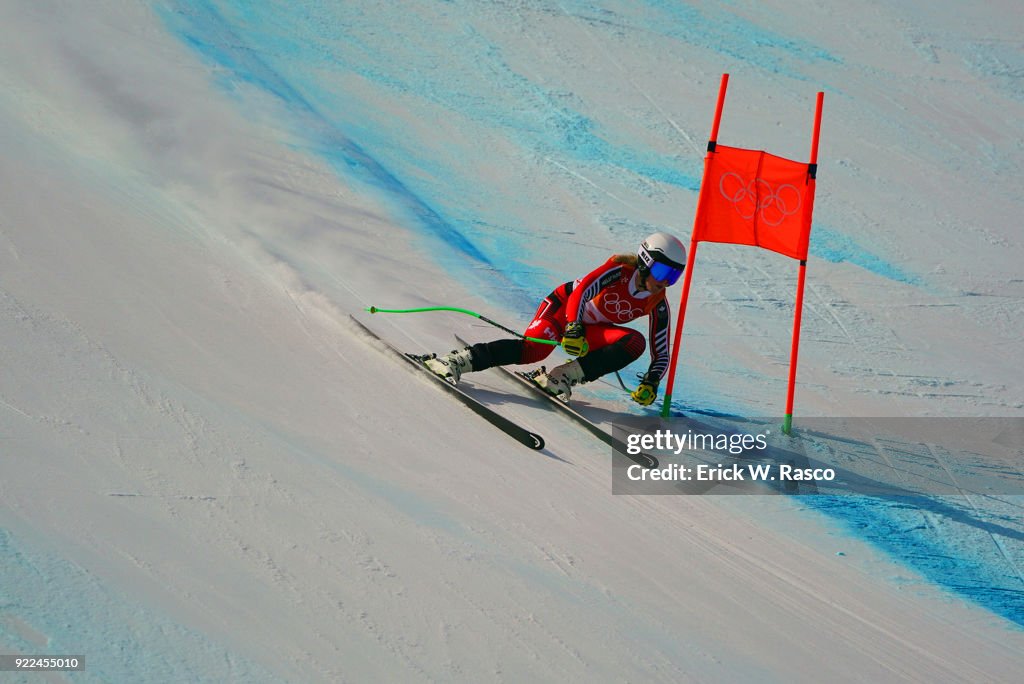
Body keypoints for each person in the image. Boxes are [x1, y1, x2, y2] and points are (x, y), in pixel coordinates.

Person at [425, 232, 686, 406]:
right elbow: (582, 292)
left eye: (673, 277)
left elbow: (661, 352)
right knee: (533, 351)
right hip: (563, 310)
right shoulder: (619, 271)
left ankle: (563, 376)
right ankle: (456, 361)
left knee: (634, 342)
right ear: (645, 261)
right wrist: (573, 327)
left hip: (590, 328)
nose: (665, 281)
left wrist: (652, 381)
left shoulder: (657, 302)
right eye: (663, 271)